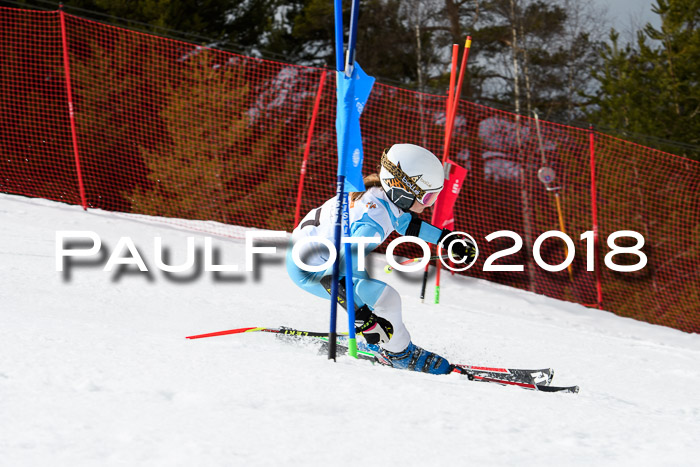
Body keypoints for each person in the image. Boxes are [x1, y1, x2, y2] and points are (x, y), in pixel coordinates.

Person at [286, 144, 475, 375]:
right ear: (403, 190)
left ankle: (387, 346)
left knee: (379, 299)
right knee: (387, 299)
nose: (430, 204)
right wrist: (364, 319)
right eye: (427, 197)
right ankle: (400, 355)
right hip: (313, 272)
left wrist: (446, 239)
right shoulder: (371, 226)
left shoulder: (378, 195)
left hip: (310, 256)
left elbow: (406, 223)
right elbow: (335, 280)